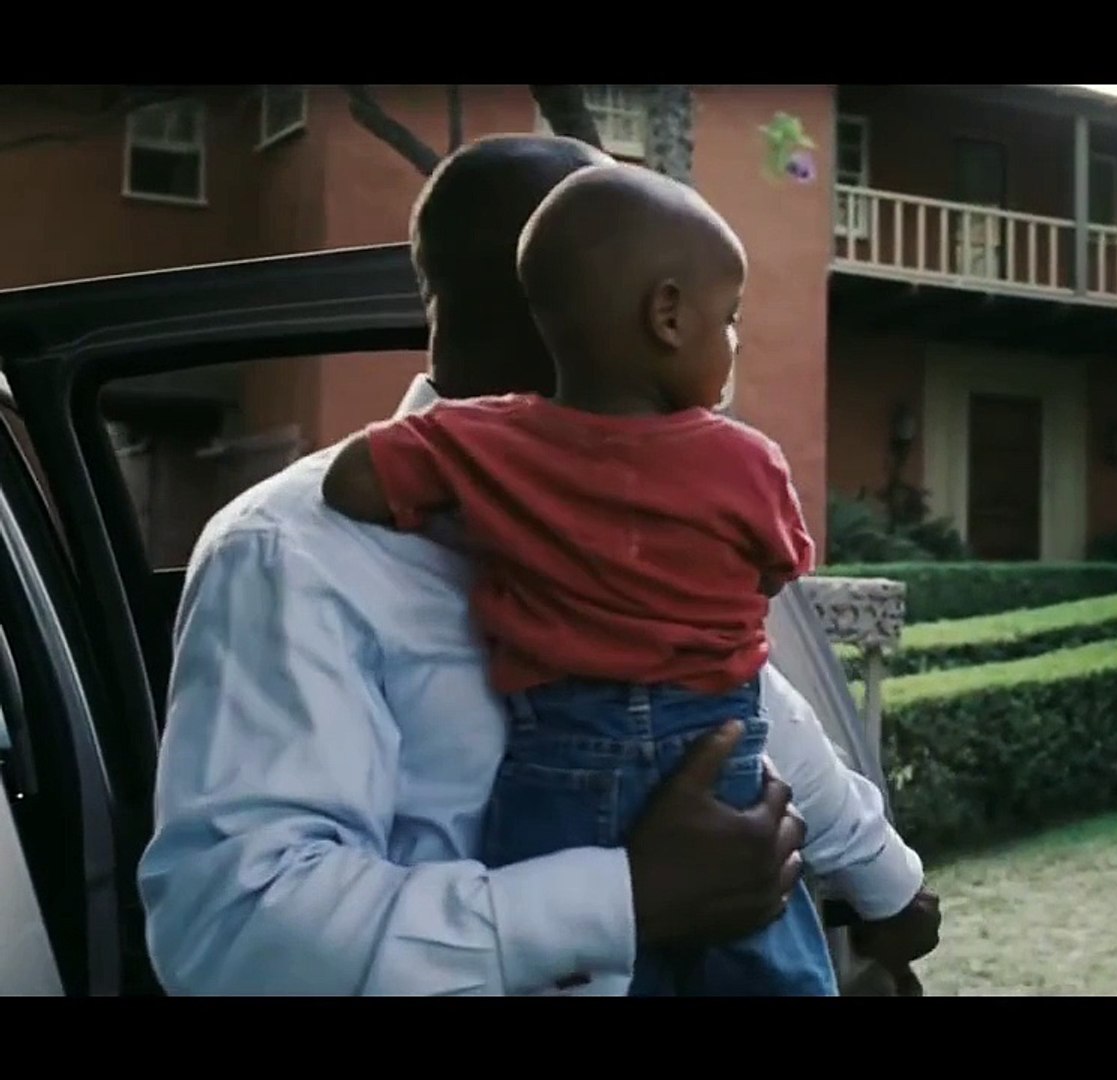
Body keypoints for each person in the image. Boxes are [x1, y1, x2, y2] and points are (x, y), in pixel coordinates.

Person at [138, 134, 938, 995]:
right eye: (718, 316)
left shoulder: (667, 493)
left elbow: (746, 702)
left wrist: (885, 880)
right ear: (605, 315)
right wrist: (628, 898)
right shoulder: (291, 552)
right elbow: (236, 932)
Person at [319, 162, 838, 995]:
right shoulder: (748, 460)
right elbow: (778, 570)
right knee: (771, 966)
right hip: (715, 753)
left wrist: (485, 508)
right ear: (668, 316)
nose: (734, 343)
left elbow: (350, 483)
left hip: (556, 765)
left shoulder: (481, 442)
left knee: (567, 978)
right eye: (730, 320)